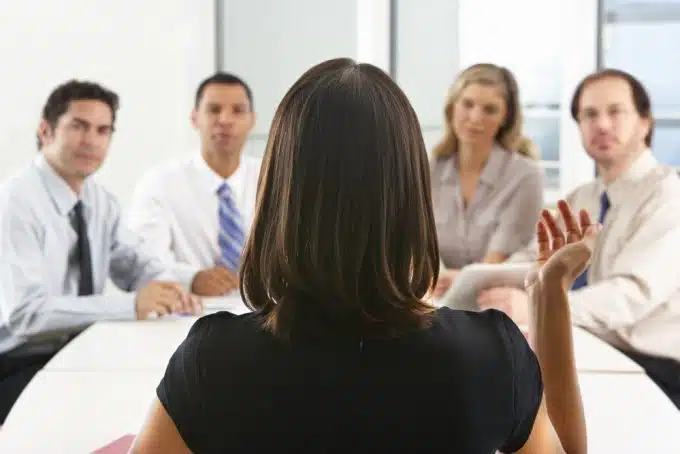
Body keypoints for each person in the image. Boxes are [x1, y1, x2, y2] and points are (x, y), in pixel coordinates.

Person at [132, 58, 589, 453]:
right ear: (412, 197)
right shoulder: (489, 355)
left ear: (277, 194)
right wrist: (550, 292)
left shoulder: (214, 361)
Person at [478, 68, 680, 410]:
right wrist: (475, 277)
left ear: (645, 123)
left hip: (653, 369)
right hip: (589, 349)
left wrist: (540, 307)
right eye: (589, 115)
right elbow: (532, 257)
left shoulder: (668, 195)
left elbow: (632, 295)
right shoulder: (582, 198)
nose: (601, 124)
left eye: (615, 111)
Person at [0, 80, 201, 423]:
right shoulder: (15, 203)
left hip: (75, 351)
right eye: (78, 126)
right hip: (17, 360)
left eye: (103, 130)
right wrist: (133, 304)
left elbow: (132, 265)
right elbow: (26, 315)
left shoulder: (98, 200)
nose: (91, 140)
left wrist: (168, 287)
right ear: (46, 131)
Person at [127, 73, 260, 297]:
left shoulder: (273, 179)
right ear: (194, 118)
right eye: (214, 110)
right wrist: (192, 278)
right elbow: (144, 261)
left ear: (252, 120)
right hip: (188, 311)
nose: (225, 120)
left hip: (264, 312)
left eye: (237, 110)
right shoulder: (160, 182)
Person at [430, 63, 544, 298]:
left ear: (505, 117)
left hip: (493, 301)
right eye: (467, 104)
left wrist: (455, 280)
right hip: (432, 297)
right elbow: (414, 247)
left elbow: (493, 266)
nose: (475, 118)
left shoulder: (525, 177)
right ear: (452, 106)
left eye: (490, 109)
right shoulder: (427, 170)